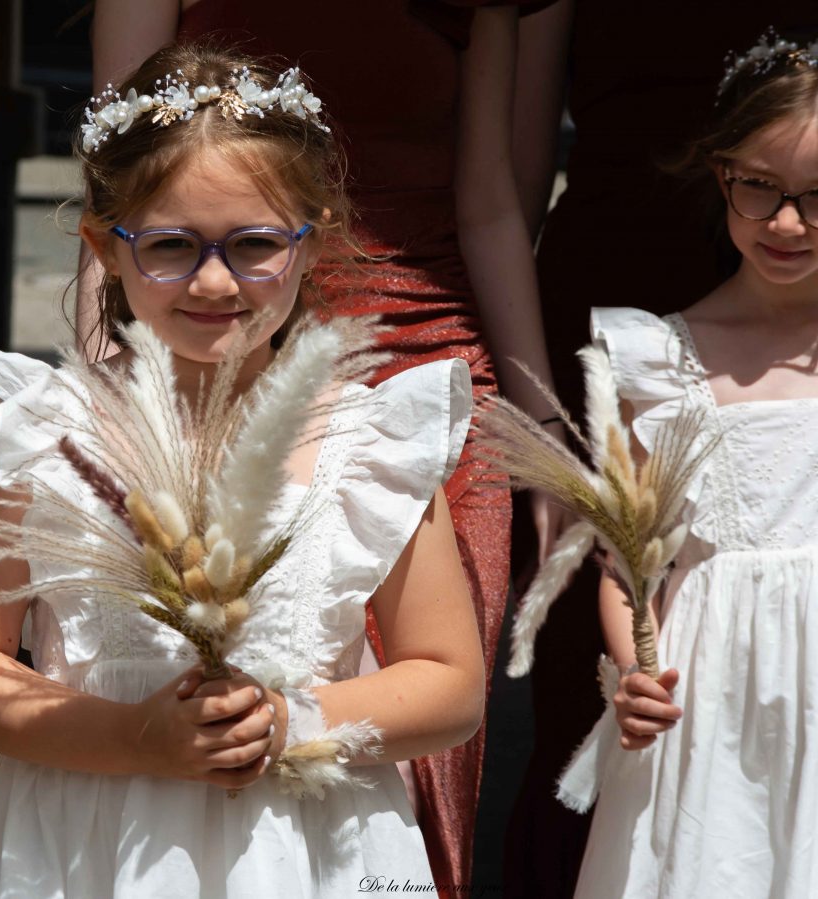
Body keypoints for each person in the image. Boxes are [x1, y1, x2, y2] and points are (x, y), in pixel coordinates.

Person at [0, 42, 487, 898]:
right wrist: (137, 739)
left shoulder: (368, 440)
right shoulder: (40, 432)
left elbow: (448, 680)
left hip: (302, 846)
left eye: (254, 243)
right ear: (106, 246)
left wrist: (292, 719)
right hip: (91, 844)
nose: (215, 281)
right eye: (172, 245)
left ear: (313, 241)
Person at [82, 2, 564, 890]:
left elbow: (494, 203)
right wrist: (110, 388)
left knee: (419, 748)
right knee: (192, 689)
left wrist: (539, 428)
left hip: (425, 365)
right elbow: (120, 189)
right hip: (202, 329)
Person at [505, 7, 818, 898]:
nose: (788, 222)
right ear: (720, 172)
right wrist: (635, 669)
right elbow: (627, 564)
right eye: (760, 187)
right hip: (709, 707)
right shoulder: (654, 360)